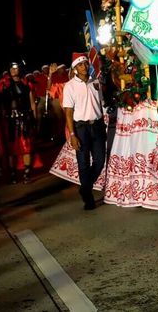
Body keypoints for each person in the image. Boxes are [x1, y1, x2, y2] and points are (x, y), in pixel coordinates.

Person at [62, 53, 106, 210]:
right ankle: (88, 198)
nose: (84, 67)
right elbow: (68, 112)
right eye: (80, 65)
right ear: (75, 68)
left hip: (97, 125)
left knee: (100, 161)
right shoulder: (70, 86)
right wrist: (72, 135)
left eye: (86, 64)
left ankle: (85, 188)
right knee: (83, 163)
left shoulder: (96, 82)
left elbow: (101, 103)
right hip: (81, 128)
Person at [0, 63, 37, 183]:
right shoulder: (4, 84)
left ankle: (26, 173)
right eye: (11, 68)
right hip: (10, 121)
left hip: (25, 119)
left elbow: (32, 103)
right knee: (11, 149)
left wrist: (35, 119)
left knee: (27, 147)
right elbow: (0, 104)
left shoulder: (26, 84)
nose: (13, 70)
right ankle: (13, 174)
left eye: (16, 68)